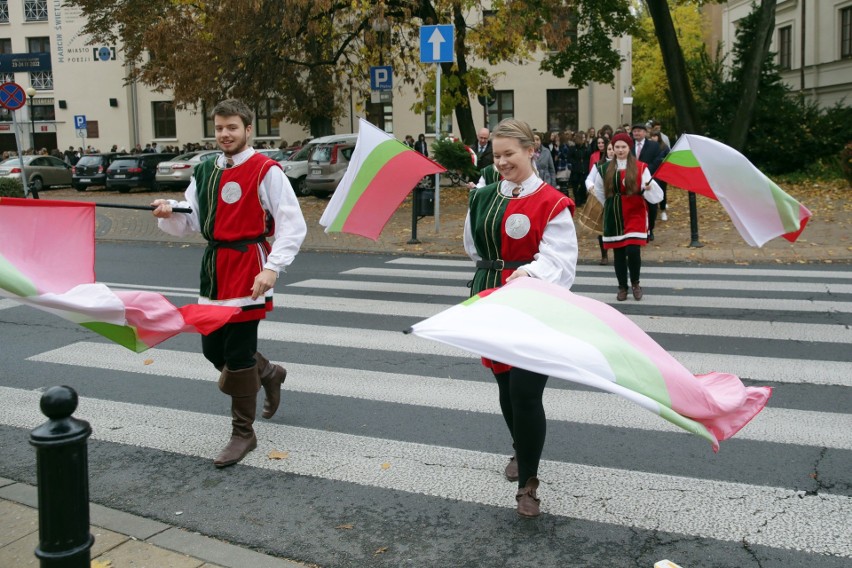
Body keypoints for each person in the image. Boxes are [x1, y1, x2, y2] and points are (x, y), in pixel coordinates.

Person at [151, 99, 307, 468]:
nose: (225, 134)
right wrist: (170, 210)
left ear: (248, 129)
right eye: (220, 128)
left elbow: (292, 223)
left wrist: (272, 268)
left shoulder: (265, 170)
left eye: (232, 128)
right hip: (213, 268)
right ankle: (268, 372)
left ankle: (243, 433)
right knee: (212, 351)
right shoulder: (204, 170)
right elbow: (191, 219)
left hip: (247, 266)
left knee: (237, 355)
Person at [464, 118, 577, 518]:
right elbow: (471, 244)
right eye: (496, 156)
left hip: (533, 301)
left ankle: (528, 481)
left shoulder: (552, 201)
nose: (502, 162)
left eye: (509, 154)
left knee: (525, 392)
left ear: (532, 150)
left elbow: (561, 259)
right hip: (491, 296)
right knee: (504, 381)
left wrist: (528, 271)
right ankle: (519, 447)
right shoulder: (484, 194)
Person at [590, 132, 662, 301]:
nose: (620, 150)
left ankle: (636, 283)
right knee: (619, 252)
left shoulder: (640, 167)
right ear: (613, 149)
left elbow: (655, 194)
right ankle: (622, 286)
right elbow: (600, 191)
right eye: (617, 147)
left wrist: (648, 188)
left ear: (629, 148)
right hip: (614, 213)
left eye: (623, 147)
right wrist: (610, 205)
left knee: (633, 249)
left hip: (634, 211)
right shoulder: (605, 168)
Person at [584, 141, 615, 265]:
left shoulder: (622, 165)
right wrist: (591, 187)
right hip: (602, 201)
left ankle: (620, 252)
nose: (611, 151)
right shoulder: (598, 165)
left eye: (613, 149)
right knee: (602, 229)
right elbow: (589, 179)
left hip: (617, 200)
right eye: (609, 149)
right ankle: (604, 255)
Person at [631, 123, 663, 240]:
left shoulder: (654, 146)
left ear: (645, 133)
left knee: (651, 206)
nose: (637, 133)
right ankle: (638, 229)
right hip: (633, 180)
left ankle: (650, 229)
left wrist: (644, 171)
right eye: (635, 131)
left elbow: (658, 160)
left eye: (639, 131)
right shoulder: (628, 145)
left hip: (650, 179)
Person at [648, 129, 670, 221]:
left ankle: (663, 210)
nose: (653, 138)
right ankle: (653, 210)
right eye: (652, 136)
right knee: (652, 192)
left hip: (662, 173)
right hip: (651, 173)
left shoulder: (664, 147)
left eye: (655, 136)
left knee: (662, 192)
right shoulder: (648, 147)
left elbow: (668, 159)